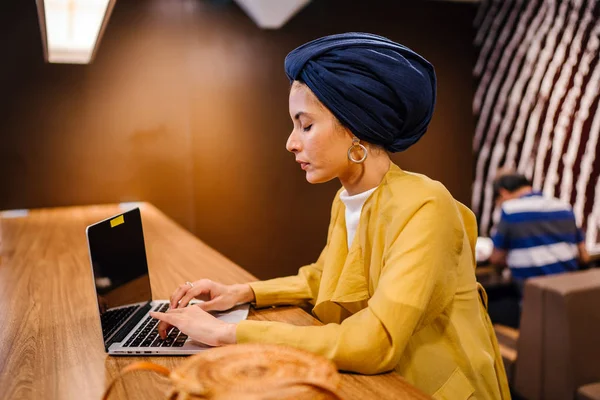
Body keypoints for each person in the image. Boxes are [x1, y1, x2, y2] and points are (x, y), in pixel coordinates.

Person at [150, 33, 510, 399]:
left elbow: (376, 341)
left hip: (431, 389)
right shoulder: (346, 198)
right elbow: (324, 278)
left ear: (354, 127)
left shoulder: (425, 204)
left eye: (305, 125)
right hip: (378, 383)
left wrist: (227, 333)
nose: (291, 142)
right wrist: (242, 293)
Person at [489, 173, 590, 292]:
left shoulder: (510, 210)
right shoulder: (564, 207)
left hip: (534, 296)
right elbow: (584, 256)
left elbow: (495, 258)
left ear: (503, 193)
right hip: (568, 293)